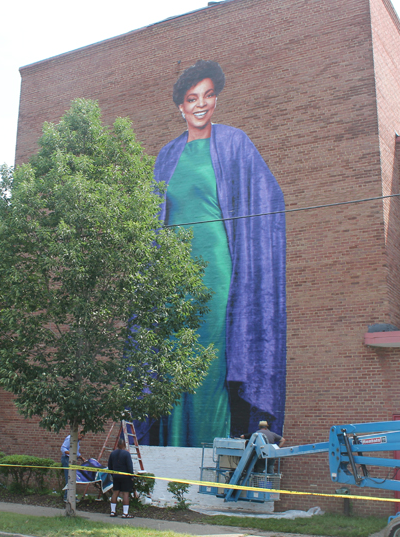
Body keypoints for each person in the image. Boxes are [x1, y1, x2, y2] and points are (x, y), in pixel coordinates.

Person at [148, 59, 286, 447]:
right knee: (173, 360)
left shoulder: (234, 142)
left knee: (211, 362)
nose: (201, 104)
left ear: (216, 99)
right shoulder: (166, 157)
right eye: (193, 98)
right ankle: (173, 450)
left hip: (217, 270)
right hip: (174, 276)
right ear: (181, 106)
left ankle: (212, 452)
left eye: (208, 95)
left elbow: (268, 196)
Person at [108, 438, 134, 518]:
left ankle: (113, 511)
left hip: (116, 476)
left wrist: (113, 474)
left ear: (117, 445)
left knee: (115, 493)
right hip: (125, 477)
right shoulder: (126, 454)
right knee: (125, 494)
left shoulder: (112, 454)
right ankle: (125, 513)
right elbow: (129, 466)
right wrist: (131, 476)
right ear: (124, 445)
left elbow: (110, 466)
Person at [61, 433, 85, 501]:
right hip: (67, 459)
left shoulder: (77, 441)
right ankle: (66, 497)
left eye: (83, 437)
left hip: (72, 459)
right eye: (81, 436)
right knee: (69, 477)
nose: (81, 438)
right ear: (78, 433)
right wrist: (71, 454)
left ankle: (71, 496)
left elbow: (75, 451)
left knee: (72, 478)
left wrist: (81, 457)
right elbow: (63, 448)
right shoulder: (70, 439)